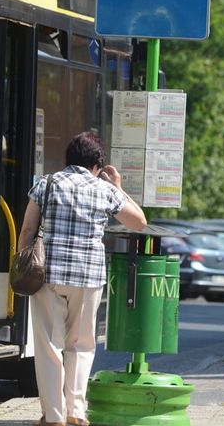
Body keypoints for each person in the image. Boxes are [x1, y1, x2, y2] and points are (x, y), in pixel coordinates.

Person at [18, 132, 146, 426]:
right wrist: (118, 187)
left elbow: (27, 229)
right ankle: (76, 411)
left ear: (69, 159)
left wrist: (23, 260)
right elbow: (139, 221)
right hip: (88, 279)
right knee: (81, 345)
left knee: (50, 347)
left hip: (48, 275)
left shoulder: (46, 183)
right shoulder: (104, 190)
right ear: (97, 164)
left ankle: (53, 417)